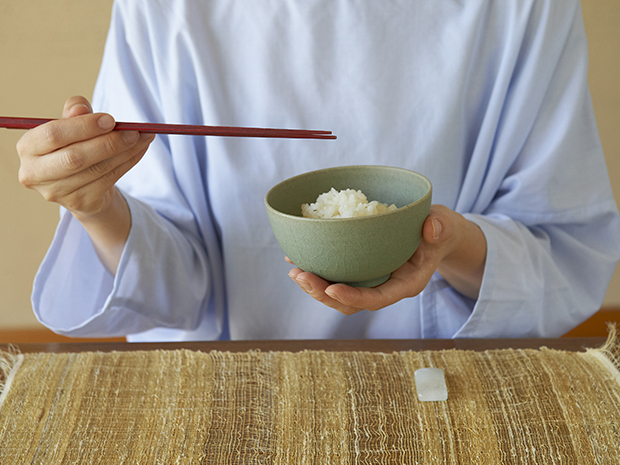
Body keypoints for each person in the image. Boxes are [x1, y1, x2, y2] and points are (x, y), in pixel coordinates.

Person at [17, 0, 620, 342]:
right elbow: (171, 279)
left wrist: (451, 244)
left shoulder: (527, 10)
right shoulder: (164, 10)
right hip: (227, 392)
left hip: (445, 390)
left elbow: (564, 251)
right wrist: (95, 206)